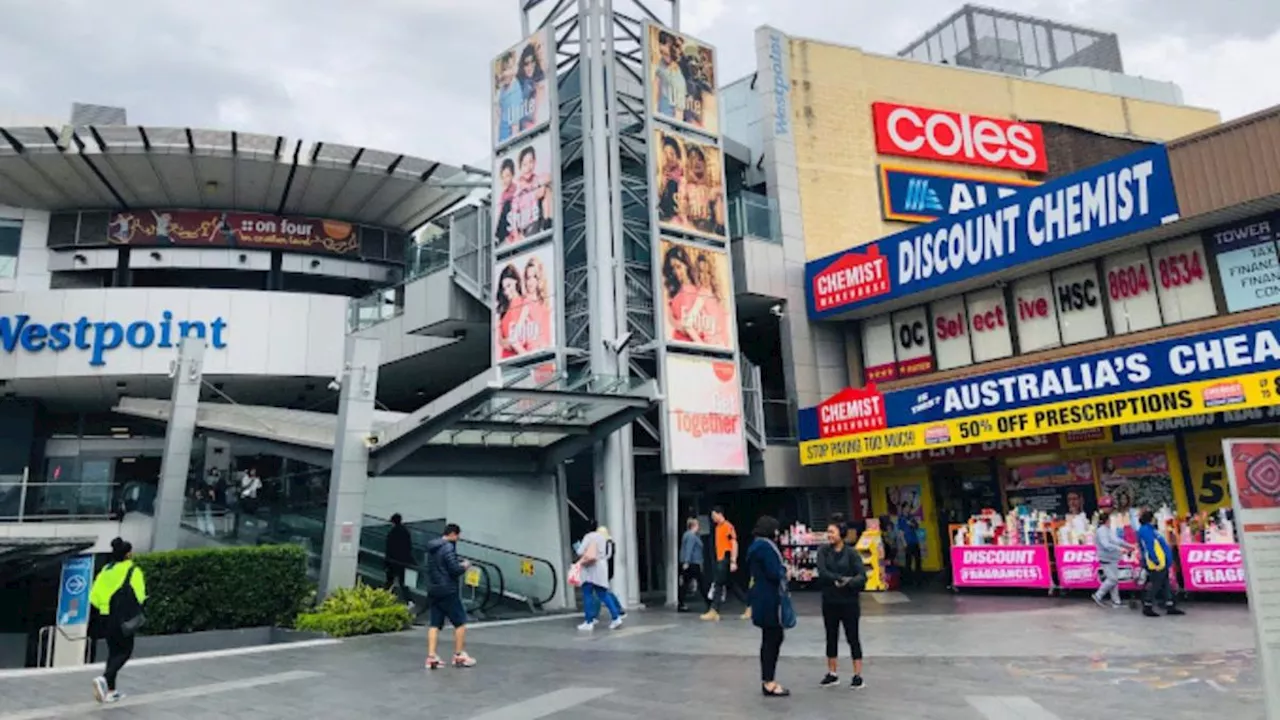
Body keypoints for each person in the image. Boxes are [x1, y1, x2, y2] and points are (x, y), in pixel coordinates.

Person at [89, 538, 147, 704]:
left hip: (105, 617)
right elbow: (140, 595)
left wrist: (104, 606)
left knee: (113, 652)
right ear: (128, 554)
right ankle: (104, 679)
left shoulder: (105, 570)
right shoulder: (133, 570)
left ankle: (110, 691)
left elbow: (93, 596)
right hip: (122, 618)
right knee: (125, 652)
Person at [816, 523, 867, 689]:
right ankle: (832, 673)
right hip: (830, 601)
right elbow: (822, 572)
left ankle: (857, 675)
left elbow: (862, 575)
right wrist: (838, 578)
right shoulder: (823, 551)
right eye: (828, 531)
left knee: (853, 637)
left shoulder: (851, 553)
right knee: (831, 636)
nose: (828, 535)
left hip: (849, 602)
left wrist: (848, 582)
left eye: (832, 531)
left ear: (841, 534)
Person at [747, 515, 789, 697]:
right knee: (773, 638)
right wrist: (784, 570)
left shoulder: (755, 546)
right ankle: (769, 681)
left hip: (760, 598)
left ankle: (768, 679)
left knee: (769, 638)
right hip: (769, 599)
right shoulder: (765, 547)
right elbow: (774, 572)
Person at [424, 523, 477, 668]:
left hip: (434, 590)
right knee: (460, 622)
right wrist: (464, 566)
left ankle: (431, 656)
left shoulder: (432, 547)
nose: (458, 538)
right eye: (457, 535)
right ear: (453, 534)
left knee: (435, 624)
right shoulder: (448, 547)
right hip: (448, 590)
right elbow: (453, 569)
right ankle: (459, 655)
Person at [702, 506, 749, 620]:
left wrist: (733, 560)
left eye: (714, 516)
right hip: (721, 559)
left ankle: (714, 610)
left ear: (720, 514)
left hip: (725, 559)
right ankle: (750, 605)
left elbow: (734, 543)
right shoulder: (718, 527)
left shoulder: (727, 527)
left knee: (718, 584)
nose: (713, 518)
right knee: (731, 585)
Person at [576, 524, 625, 631]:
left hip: (590, 569)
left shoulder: (588, 537)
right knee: (603, 594)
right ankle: (616, 617)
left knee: (587, 594)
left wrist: (578, 548)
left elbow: (580, 551)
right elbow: (607, 555)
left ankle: (589, 621)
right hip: (602, 568)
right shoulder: (604, 539)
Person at [1137, 510, 1185, 618]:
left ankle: (1170, 605)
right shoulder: (1145, 530)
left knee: (1165, 583)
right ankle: (1147, 605)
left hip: (1162, 561)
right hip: (1156, 562)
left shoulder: (1151, 529)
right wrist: (1155, 559)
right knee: (1156, 583)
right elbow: (1149, 545)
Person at [1093, 497, 1135, 609]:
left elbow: (1116, 540)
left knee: (1114, 581)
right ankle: (1098, 595)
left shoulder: (1107, 530)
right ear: (1106, 521)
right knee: (1112, 579)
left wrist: (1129, 546)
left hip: (1112, 558)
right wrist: (1120, 549)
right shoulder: (1101, 531)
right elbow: (1106, 545)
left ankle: (1116, 602)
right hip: (1106, 558)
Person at [385, 513, 414, 604]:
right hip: (404, 561)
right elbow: (409, 547)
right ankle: (409, 601)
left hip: (393, 560)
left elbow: (389, 548)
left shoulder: (392, 533)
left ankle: (385, 598)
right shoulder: (406, 532)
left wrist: (386, 562)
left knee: (390, 581)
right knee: (403, 582)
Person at [678, 517, 704, 612]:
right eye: (697, 525)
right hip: (693, 563)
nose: (699, 527)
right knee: (701, 582)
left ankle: (681, 603)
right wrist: (687, 562)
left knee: (685, 583)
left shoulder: (689, 535)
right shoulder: (691, 536)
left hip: (691, 563)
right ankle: (709, 602)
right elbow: (689, 549)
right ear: (693, 526)